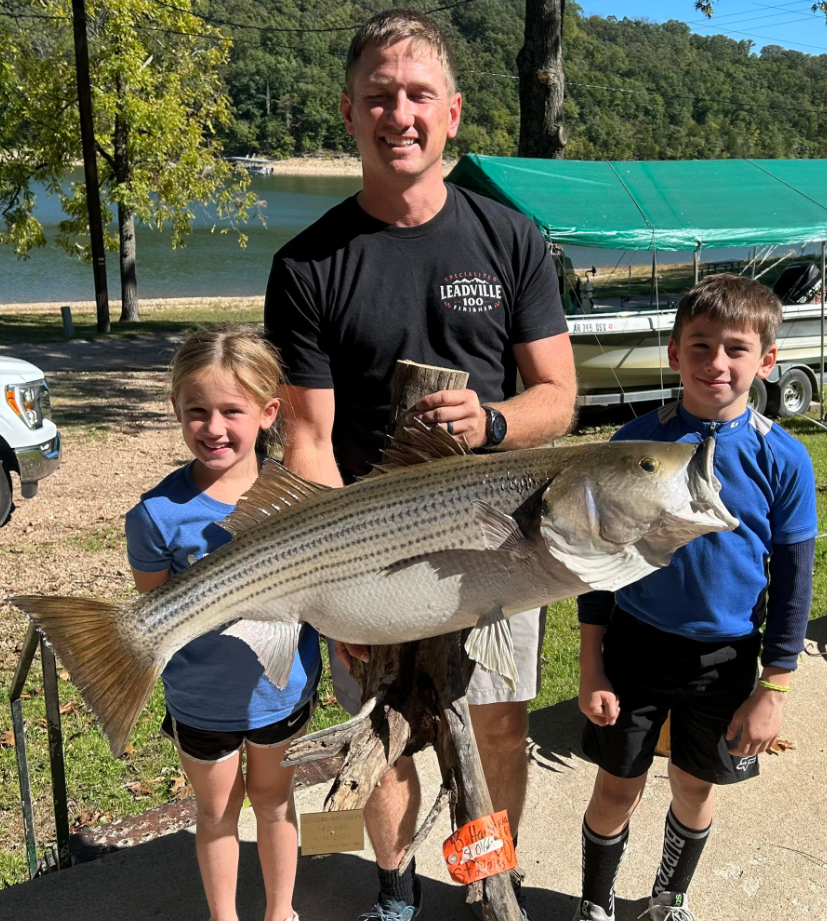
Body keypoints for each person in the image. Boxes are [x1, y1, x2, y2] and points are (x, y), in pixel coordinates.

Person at [264, 10, 577, 921]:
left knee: (499, 720)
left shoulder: (509, 238)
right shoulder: (308, 263)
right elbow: (309, 441)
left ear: (451, 113)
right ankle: (395, 891)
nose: (397, 113)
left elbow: (557, 394)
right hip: (370, 539)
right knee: (380, 735)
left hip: (498, 537)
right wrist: (336, 585)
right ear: (349, 114)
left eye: (416, 95)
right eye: (377, 96)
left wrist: (489, 419)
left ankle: (487, 879)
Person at [571, 274, 818, 921]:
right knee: (616, 785)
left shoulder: (783, 458)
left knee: (693, 784)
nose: (717, 363)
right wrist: (591, 663)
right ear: (675, 352)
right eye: (700, 345)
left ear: (766, 359)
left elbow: (794, 583)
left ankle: (667, 898)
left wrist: (775, 688)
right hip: (634, 650)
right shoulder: (631, 443)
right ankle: (594, 902)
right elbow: (598, 562)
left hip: (724, 659)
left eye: (735, 348)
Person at [124, 326, 322, 921]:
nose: (214, 428)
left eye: (231, 411)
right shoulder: (156, 515)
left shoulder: (300, 497)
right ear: (176, 412)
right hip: (201, 698)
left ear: (267, 414)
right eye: (197, 412)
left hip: (280, 690)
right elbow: (154, 611)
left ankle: (280, 911)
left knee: (275, 801)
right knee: (213, 814)